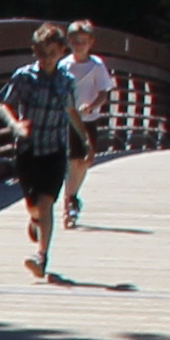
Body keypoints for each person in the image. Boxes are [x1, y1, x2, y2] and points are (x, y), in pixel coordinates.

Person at [0, 21, 73, 278]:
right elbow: (3, 105)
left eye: (52, 53)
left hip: (55, 149)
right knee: (33, 206)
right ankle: (35, 221)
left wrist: (83, 139)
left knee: (46, 203)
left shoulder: (67, 80)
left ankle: (41, 257)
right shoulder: (24, 76)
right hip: (28, 149)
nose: (46, 58)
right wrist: (15, 124)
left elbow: (71, 111)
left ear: (63, 51)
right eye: (41, 52)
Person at [62, 19, 116, 224]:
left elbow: (104, 92)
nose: (79, 45)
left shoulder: (96, 65)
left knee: (84, 161)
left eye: (83, 41)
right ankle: (70, 203)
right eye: (75, 41)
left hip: (89, 119)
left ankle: (72, 196)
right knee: (71, 160)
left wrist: (93, 105)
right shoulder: (63, 65)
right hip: (68, 119)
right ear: (69, 41)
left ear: (91, 42)